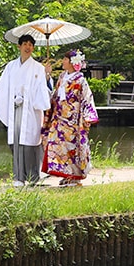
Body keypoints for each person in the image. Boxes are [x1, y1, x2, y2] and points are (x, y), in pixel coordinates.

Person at [0, 33, 52, 185]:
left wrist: (47, 76)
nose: (28, 47)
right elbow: (2, 86)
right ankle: (18, 177)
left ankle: (33, 176)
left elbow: (43, 90)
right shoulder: (11, 66)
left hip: (30, 110)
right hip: (14, 108)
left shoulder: (38, 67)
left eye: (30, 45)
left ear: (33, 48)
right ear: (19, 46)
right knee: (16, 141)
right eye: (25, 44)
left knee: (30, 143)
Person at [41, 49, 99, 185]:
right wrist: (47, 76)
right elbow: (55, 95)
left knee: (72, 147)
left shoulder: (80, 80)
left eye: (65, 60)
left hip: (73, 119)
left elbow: (86, 98)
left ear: (72, 62)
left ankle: (74, 175)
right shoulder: (62, 77)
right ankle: (66, 174)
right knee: (56, 143)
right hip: (58, 117)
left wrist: (87, 115)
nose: (63, 62)